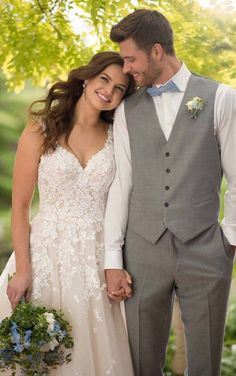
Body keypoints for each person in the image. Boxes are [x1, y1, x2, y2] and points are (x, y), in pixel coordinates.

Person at [104, 9, 236, 376]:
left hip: (206, 250)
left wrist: (229, 241)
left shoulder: (222, 98)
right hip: (142, 251)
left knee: (206, 363)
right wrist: (113, 257)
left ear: (157, 50)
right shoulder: (126, 110)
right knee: (141, 362)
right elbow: (122, 182)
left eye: (131, 59)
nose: (126, 69)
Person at [0, 51, 136, 375]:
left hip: (97, 259)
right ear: (88, 78)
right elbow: (19, 207)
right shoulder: (41, 130)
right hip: (45, 254)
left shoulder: (119, 138)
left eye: (119, 88)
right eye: (104, 79)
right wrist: (22, 270)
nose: (109, 91)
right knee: (39, 353)